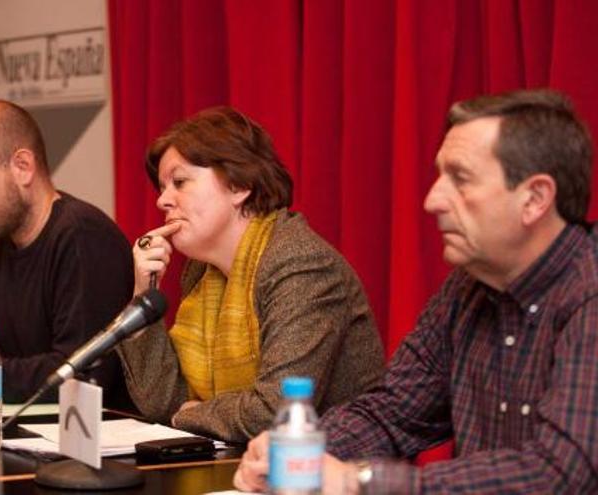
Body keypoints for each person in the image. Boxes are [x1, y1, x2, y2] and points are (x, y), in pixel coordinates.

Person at [234, 89, 598, 493]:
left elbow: (563, 472)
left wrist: (360, 480)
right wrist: (297, 449)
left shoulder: (589, 292)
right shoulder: (467, 290)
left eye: (460, 179)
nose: (432, 200)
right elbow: (394, 412)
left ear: (534, 198)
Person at [117, 106, 385, 443]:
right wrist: (144, 294)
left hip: (331, 476)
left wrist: (190, 414)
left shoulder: (300, 264)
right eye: (162, 187)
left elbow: (274, 411)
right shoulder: (202, 271)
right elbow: (162, 403)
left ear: (239, 185)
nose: (162, 201)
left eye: (180, 182)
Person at [0, 100, 134, 406]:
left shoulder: (83, 238)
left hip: (92, 443)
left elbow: (79, 376)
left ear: (22, 167)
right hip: (15, 430)